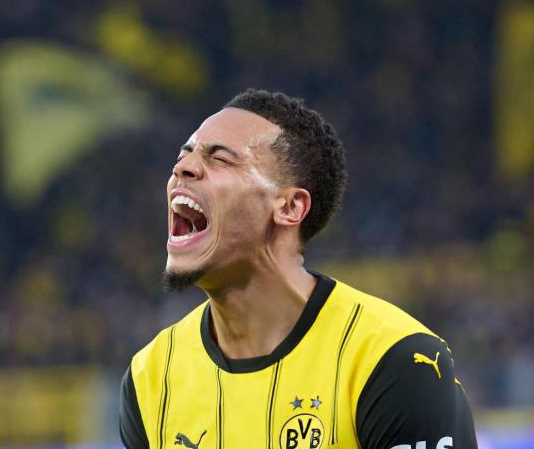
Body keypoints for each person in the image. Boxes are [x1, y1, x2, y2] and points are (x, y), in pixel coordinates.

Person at [119, 89, 477, 449]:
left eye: (221, 159)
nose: (183, 168)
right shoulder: (151, 378)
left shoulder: (393, 359)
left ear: (290, 207)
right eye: (184, 154)